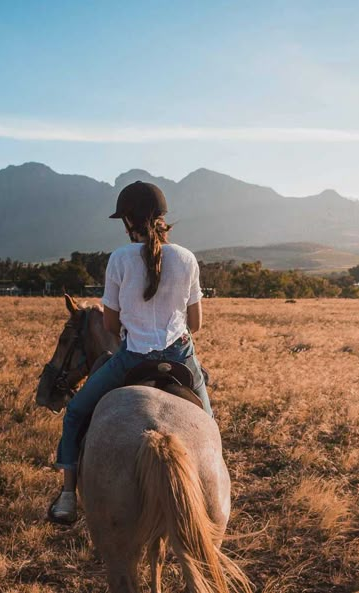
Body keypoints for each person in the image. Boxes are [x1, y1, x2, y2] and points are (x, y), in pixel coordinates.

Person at [48, 180, 213, 524]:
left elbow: (109, 325)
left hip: (132, 358)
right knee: (209, 425)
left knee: (77, 411)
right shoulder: (186, 258)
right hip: (180, 356)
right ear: (163, 218)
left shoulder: (119, 259)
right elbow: (195, 323)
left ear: (127, 222)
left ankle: (66, 496)